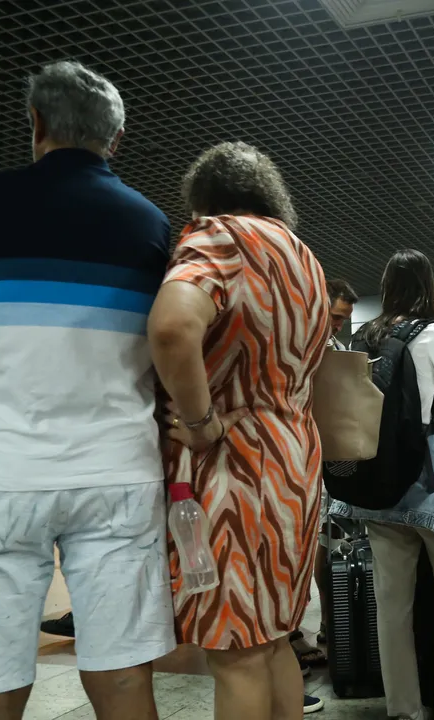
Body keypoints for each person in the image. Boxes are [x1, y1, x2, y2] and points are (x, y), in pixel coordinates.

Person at [0, 60, 173, 719]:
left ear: (34, 122)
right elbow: (162, 337)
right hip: (117, 470)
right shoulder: (149, 224)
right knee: (123, 675)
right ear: (114, 139)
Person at [148, 141, 330, 718]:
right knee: (273, 638)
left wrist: (199, 423)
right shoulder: (304, 257)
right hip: (294, 458)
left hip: (235, 464)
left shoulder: (218, 237)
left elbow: (174, 326)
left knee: (235, 653)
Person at [329, 250, 434, 720]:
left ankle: (404, 708)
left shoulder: (363, 334)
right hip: (427, 478)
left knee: (391, 602)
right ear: (427, 286)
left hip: (375, 478)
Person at [308, 278, 358, 651]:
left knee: (333, 539)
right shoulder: (299, 342)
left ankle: (331, 621)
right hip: (301, 457)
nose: (339, 325)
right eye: (336, 316)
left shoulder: (336, 347)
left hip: (335, 458)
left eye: (344, 320)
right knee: (309, 545)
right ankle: (299, 628)